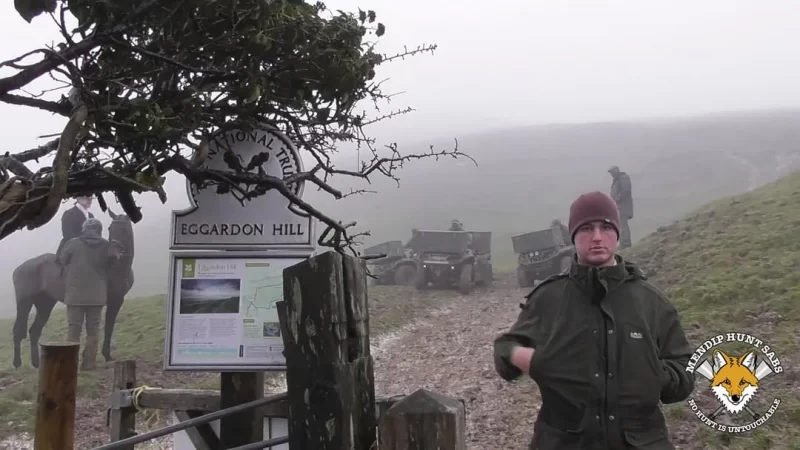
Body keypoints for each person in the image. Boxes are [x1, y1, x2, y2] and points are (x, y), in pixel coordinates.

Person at [493, 191, 694, 450]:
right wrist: (531, 360)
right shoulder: (549, 297)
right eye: (586, 228)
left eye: (606, 227)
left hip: (641, 442)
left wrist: (656, 376)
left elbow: (685, 370)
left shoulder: (651, 302)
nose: (597, 237)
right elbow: (503, 351)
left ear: (617, 234)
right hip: (565, 442)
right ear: (573, 236)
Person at [57, 218, 119, 370]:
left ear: (84, 229)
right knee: (94, 329)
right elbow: (112, 264)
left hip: (75, 295)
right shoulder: (106, 245)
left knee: (74, 329)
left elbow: (61, 260)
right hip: (97, 295)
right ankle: (89, 363)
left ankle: (70, 364)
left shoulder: (72, 243)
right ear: (99, 229)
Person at [608, 166, 633, 249]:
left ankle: (626, 244)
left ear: (616, 171)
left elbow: (626, 191)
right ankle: (624, 243)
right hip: (619, 207)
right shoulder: (617, 180)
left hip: (623, 207)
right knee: (621, 225)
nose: (611, 174)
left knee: (623, 225)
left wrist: (616, 199)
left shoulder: (623, 178)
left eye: (612, 172)